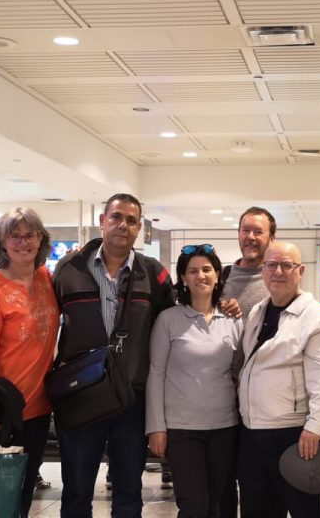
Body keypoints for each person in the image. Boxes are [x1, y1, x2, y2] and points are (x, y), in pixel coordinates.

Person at [53, 193, 176, 518]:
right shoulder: (70, 268)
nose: (123, 225)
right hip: (81, 396)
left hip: (131, 399)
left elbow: (171, 328)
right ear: (102, 221)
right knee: (76, 492)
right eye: (116, 217)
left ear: (139, 229)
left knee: (128, 492)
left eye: (131, 220)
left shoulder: (154, 274)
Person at [237, 241, 320, 518]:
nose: (278, 272)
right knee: (257, 510)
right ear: (263, 271)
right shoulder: (258, 312)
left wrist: (315, 430)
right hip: (252, 432)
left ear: (301, 271)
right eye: (271, 265)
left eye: (287, 265)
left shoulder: (319, 320)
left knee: (305, 510)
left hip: (296, 435)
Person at [0, 207, 60, 518]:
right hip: (2, 412)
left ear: (41, 239)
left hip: (37, 408)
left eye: (30, 235)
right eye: (15, 236)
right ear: (2, 243)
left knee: (21, 495)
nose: (23, 243)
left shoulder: (47, 279)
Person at [146, 244, 244, 518]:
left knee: (218, 504)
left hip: (224, 427)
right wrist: (156, 427)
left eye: (206, 269)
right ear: (184, 279)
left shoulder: (233, 320)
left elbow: (241, 371)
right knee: (194, 505)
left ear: (217, 277)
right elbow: (156, 373)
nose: (200, 275)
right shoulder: (169, 320)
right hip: (181, 429)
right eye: (193, 271)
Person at [217, 205, 276, 518]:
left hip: (263, 403)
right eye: (245, 230)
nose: (250, 237)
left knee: (258, 486)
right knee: (224, 482)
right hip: (222, 399)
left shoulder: (276, 278)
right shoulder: (221, 277)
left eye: (258, 231)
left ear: (271, 237)